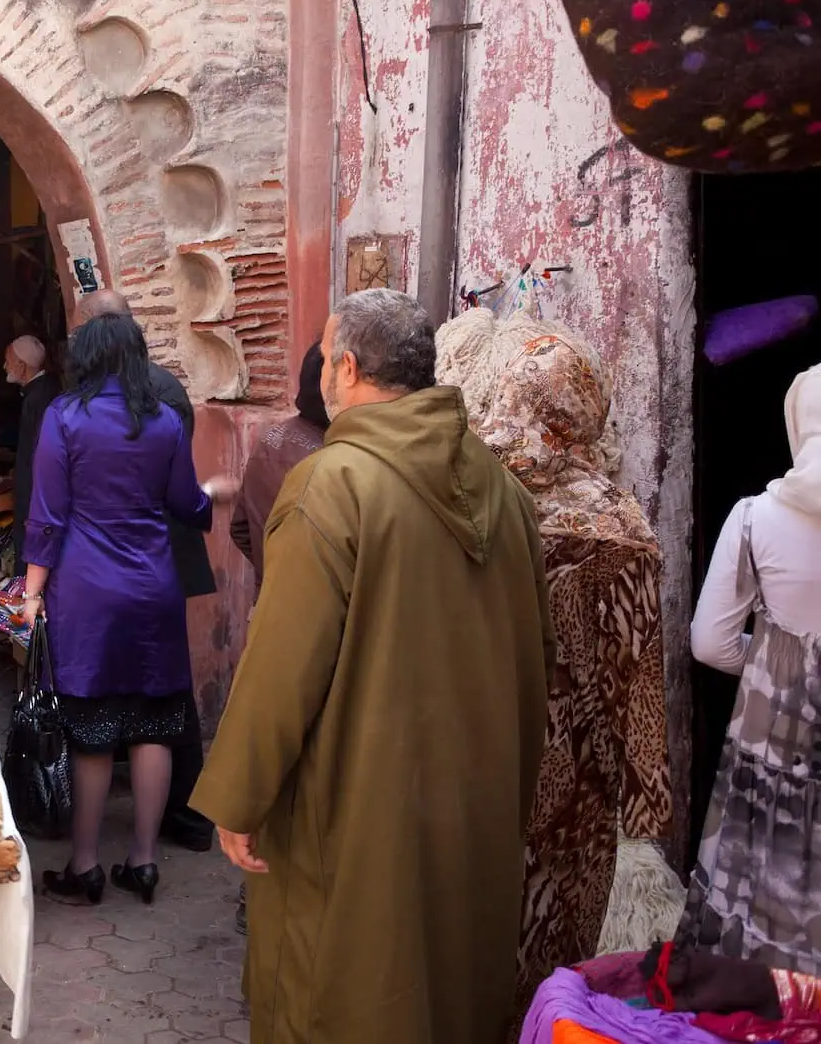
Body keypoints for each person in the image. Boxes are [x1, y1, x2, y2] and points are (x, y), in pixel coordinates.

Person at [191, 288, 554, 1044]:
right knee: (452, 987)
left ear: (346, 367)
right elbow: (533, 650)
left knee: (338, 986)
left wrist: (238, 795)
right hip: (474, 800)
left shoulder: (335, 483)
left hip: (358, 805)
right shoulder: (504, 488)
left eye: (325, 354)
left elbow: (283, 663)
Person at [434, 310, 673, 1009]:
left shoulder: (469, 509)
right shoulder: (620, 525)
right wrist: (645, 812)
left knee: (468, 928)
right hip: (581, 784)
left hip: (476, 758)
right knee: (555, 941)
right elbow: (641, 685)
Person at [20, 311, 226, 906]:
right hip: (153, 588)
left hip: (87, 592)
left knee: (92, 732)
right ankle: (142, 861)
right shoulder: (162, 421)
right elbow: (187, 505)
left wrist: (31, 594)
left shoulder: (64, 418)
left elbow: (48, 516)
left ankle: (85, 866)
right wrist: (212, 495)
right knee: (155, 726)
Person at [683, 360, 821, 973]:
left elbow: (710, 644)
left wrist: (774, 668)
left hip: (774, 743)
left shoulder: (754, 519)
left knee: (765, 888)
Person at [75, 288, 216, 852]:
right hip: (152, 559)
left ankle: (179, 814)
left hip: (130, 557)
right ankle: (166, 820)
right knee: (158, 691)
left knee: (151, 695)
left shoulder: (128, 396)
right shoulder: (162, 388)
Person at [223, 340, 329, 933]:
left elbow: (240, 527)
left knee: (271, 752)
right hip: (323, 625)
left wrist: (269, 568)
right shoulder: (343, 459)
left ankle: (256, 889)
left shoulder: (271, 442)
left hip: (270, 611)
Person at [229, 343, 329, 576]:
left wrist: (271, 574)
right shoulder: (334, 458)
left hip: (269, 598)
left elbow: (240, 528)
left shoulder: (269, 439)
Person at [6, 334, 62, 559]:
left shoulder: (37, 397)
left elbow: (39, 453)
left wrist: (35, 504)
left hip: (36, 495)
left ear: (21, 365)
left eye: (8, 361)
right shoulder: (43, 389)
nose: (4, 366)